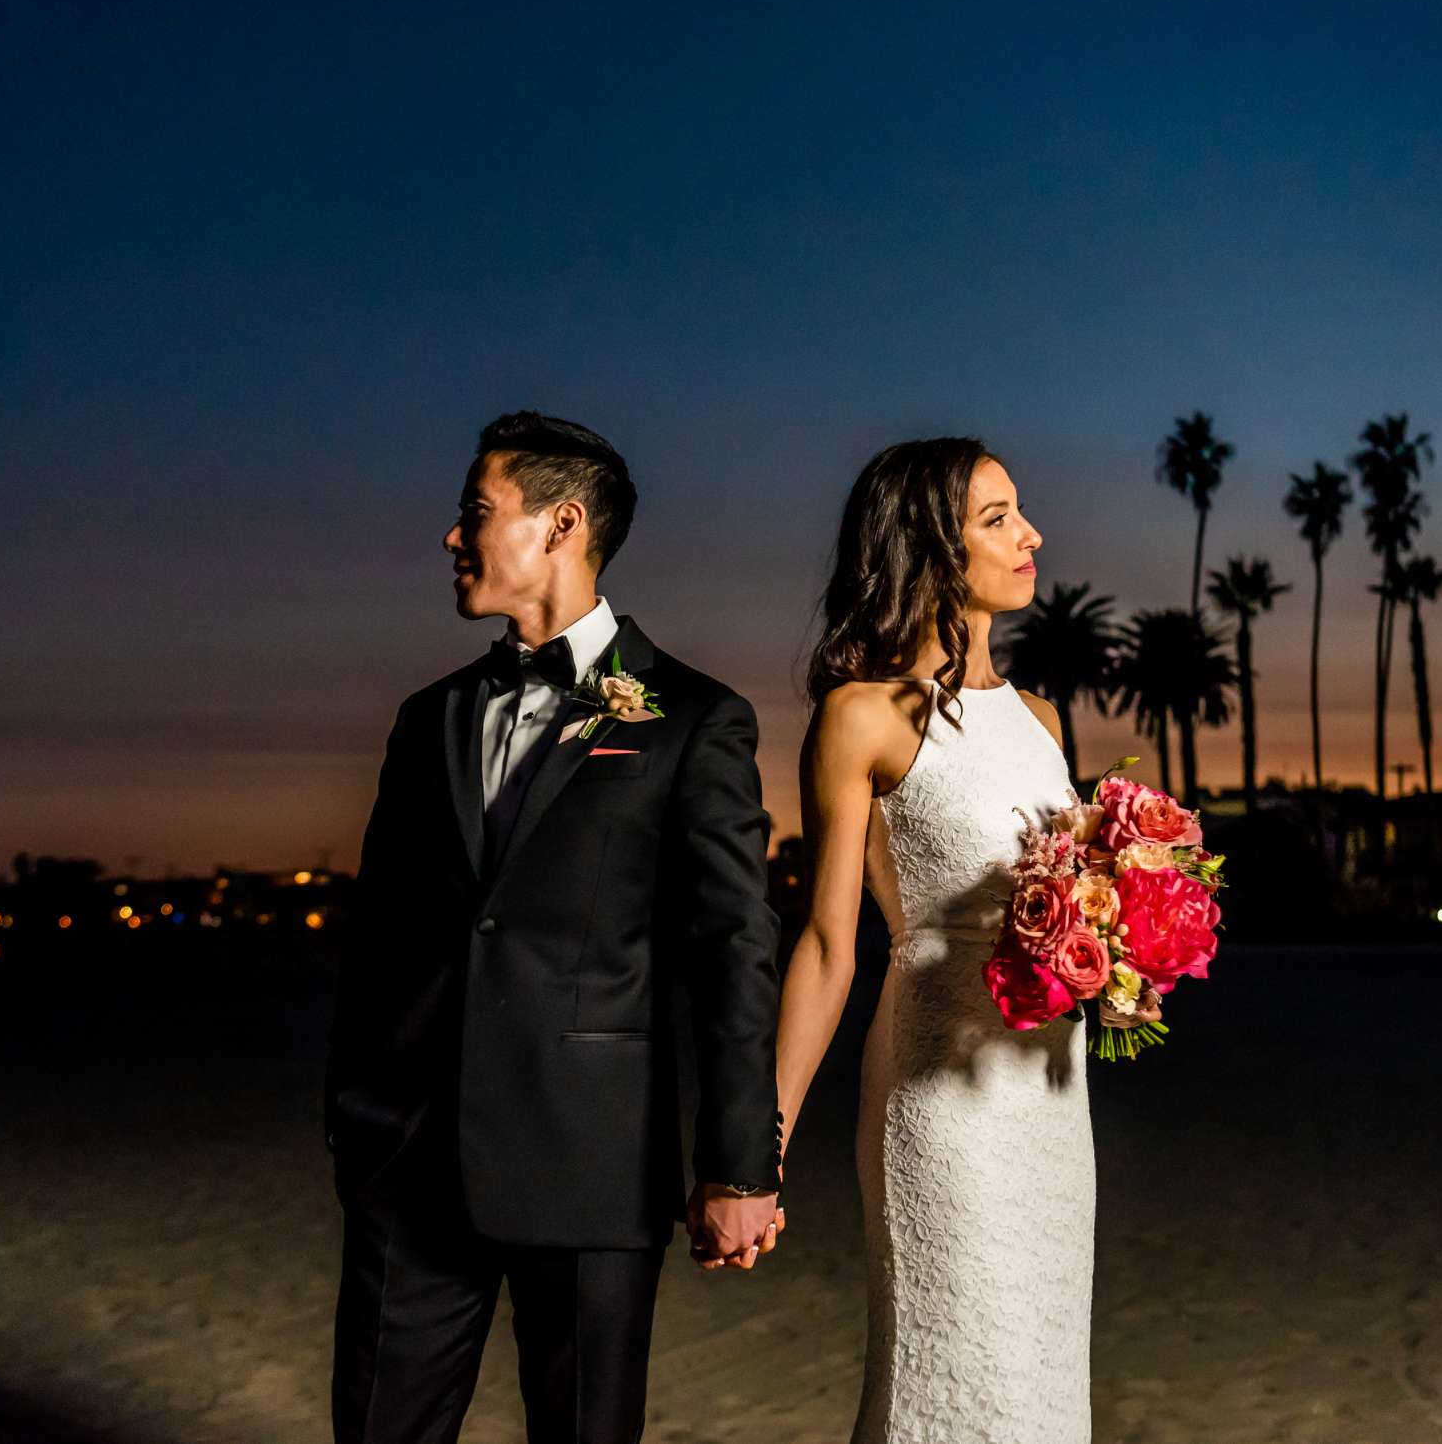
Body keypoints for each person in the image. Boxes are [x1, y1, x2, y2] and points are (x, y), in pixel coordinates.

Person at [325, 410, 786, 1444]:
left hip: (595, 1166)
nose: (452, 538)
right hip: (407, 1162)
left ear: (562, 523)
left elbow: (734, 950)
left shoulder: (694, 719)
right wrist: (353, 1120)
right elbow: (380, 938)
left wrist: (741, 1165)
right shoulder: (428, 718)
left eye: (474, 514)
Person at [774, 437, 1096, 1443]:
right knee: (948, 1374)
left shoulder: (1041, 718)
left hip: (1051, 1099)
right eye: (997, 517)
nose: (1030, 534)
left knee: (1040, 1385)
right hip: (940, 1108)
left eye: (1020, 511)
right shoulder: (860, 717)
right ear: (925, 545)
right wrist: (759, 1146)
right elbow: (829, 947)